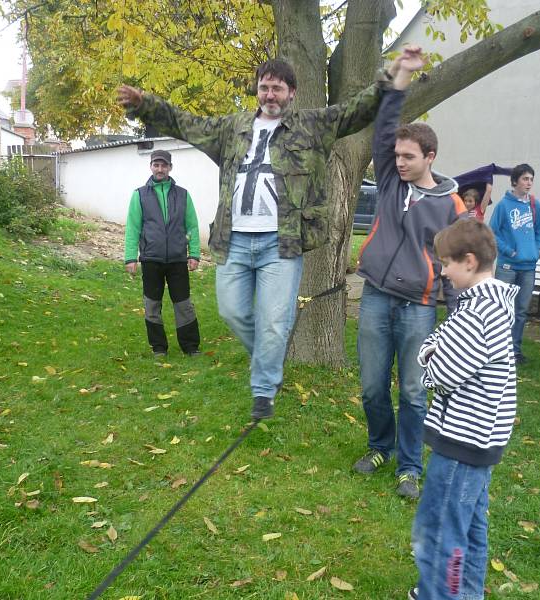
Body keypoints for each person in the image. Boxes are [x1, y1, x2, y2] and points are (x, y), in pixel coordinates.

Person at [117, 57, 393, 420]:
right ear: (258, 89)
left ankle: (264, 388)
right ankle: (268, 358)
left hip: (281, 243)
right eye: (265, 87)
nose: (270, 94)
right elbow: (187, 124)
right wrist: (144, 104)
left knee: (275, 320)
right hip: (234, 239)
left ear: (291, 92)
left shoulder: (311, 125)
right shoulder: (232, 128)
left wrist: (388, 81)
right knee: (232, 311)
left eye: (278, 88)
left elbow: (353, 113)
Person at [353, 47, 466, 499]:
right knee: (372, 385)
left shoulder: (453, 207)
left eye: (408, 157)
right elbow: (383, 130)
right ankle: (379, 446)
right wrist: (400, 77)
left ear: (430, 157)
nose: (399, 162)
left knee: (415, 391)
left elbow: (459, 268)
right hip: (377, 294)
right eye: (397, 155)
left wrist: (457, 319)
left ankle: (408, 468)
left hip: (419, 305)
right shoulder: (389, 181)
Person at [408, 218, 517, 600]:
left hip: (461, 442)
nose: (442, 270)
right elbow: (437, 343)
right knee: (469, 527)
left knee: (439, 531)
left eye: (447, 263)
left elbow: (440, 374)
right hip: (479, 440)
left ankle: (441, 594)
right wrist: (432, 349)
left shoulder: (475, 314)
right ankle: (466, 593)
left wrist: (426, 360)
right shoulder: (490, 306)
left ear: (469, 261)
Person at [124, 149, 201, 357]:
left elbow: (192, 226)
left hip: (177, 259)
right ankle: (159, 347)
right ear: (151, 166)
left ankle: (190, 346)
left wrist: (194, 254)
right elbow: (133, 228)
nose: (160, 169)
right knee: (152, 305)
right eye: (156, 165)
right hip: (151, 259)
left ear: (170, 168)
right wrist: (130, 257)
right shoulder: (139, 195)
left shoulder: (183, 194)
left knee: (183, 304)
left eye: (164, 165)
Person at [488, 163, 540, 365]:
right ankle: (497, 350)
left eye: (531, 179)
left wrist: (536, 250)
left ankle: (515, 350)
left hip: (528, 267)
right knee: (503, 309)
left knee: (521, 311)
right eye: (525, 179)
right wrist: (510, 251)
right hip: (508, 267)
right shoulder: (503, 206)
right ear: (515, 181)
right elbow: (492, 232)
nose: (528, 183)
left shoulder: (535, 205)